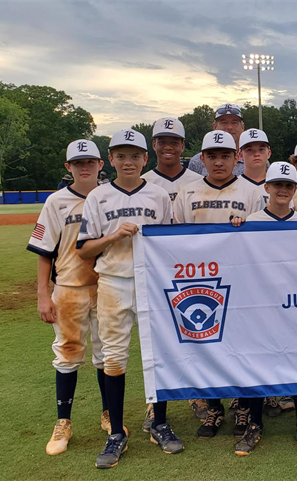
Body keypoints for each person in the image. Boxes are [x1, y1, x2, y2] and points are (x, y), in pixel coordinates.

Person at [76, 129, 177, 468]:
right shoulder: (99, 197)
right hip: (114, 282)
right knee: (114, 357)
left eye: (134, 155)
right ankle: (116, 431)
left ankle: (159, 422)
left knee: (159, 352)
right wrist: (114, 235)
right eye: (121, 155)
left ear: (145, 158)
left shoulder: (160, 195)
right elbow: (83, 249)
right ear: (112, 159)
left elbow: (173, 243)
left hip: (153, 282)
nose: (128, 161)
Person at [172, 130, 263, 439]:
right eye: (212, 155)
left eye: (225, 155)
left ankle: (243, 407)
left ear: (236, 157)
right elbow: (174, 240)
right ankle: (214, 408)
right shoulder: (187, 192)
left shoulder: (251, 192)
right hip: (200, 279)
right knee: (205, 344)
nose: (219, 161)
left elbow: (261, 238)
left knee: (242, 345)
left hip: (241, 279)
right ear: (203, 158)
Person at [233, 161, 297, 455]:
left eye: (288, 185)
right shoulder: (253, 220)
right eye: (278, 185)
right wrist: (235, 229)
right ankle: (255, 424)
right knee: (260, 365)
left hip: (296, 306)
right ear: (267, 188)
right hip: (260, 306)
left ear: (295, 189)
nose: (283, 190)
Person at [29, 139, 108, 456]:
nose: (85, 166)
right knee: (68, 353)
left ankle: (108, 413)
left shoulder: (110, 197)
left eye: (90, 161)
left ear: (101, 164)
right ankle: (63, 421)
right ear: (69, 167)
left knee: (108, 353)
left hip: (106, 287)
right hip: (69, 288)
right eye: (78, 162)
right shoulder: (56, 202)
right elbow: (43, 252)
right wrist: (42, 295)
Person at [139, 117, 205, 431]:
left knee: (195, 329)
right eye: (162, 141)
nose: (168, 146)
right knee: (157, 335)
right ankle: (154, 403)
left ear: (182, 146)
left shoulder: (195, 180)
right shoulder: (143, 181)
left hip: (195, 266)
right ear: (154, 145)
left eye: (174, 141)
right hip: (157, 269)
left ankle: (197, 393)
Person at [186, 103, 247, 177]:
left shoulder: (253, 160)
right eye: (224, 123)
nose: (229, 127)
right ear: (214, 127)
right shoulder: (197, 162)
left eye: (234, 123)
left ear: (242, 127)